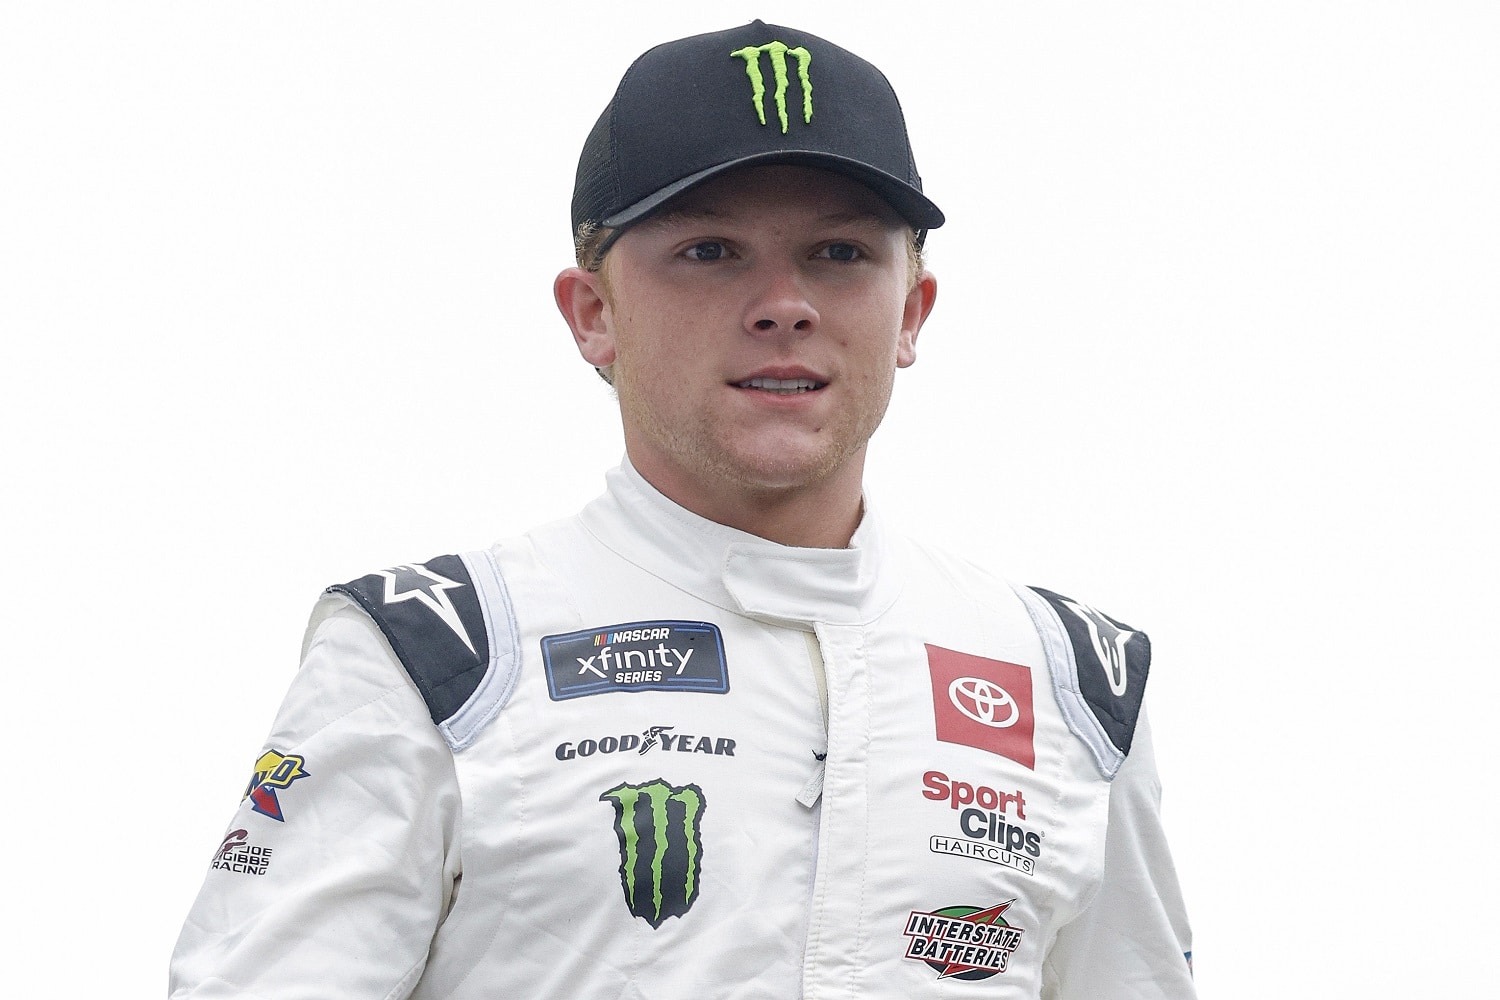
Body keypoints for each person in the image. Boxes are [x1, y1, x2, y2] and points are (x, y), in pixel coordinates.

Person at [169, 20, 1196, 999]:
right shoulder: (438, 656)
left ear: (912, 314)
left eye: (841, 254)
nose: (784, 303)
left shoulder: (1072, 681)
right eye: (710, 251)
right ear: (593, 313)